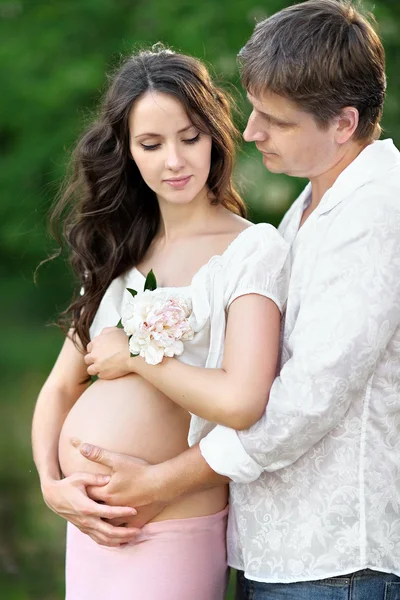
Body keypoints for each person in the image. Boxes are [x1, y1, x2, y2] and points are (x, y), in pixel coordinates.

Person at [80, 1, 400, 599]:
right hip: (277, 552)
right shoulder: (305, 213)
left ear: (343, 122)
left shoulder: (376, 214)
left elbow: (304, 403)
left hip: (335, 564)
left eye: (274, 120)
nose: (250, 131)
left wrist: (162, 483)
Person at [31, 47, 290, 599]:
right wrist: (52, 488)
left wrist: (137, 358)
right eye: (152, 144)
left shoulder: (251, 249)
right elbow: (59, 388)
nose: (175, 160)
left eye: (190, 137)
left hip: (170, 525)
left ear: (216, 135)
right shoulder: (119, 251)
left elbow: (244, 403)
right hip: (90, 528)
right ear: (127, 151)